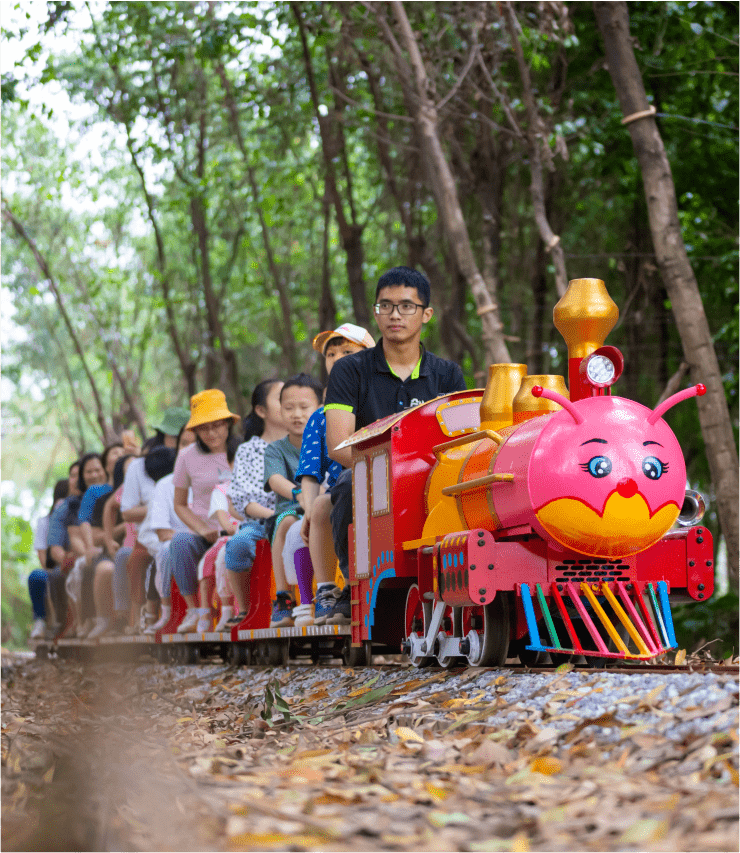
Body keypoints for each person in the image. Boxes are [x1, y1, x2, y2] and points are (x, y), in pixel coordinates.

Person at [324, 266, 467, 623]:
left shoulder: (448, 374)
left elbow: (460, 442)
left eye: (406, 306)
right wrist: (387, 471)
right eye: (385, 306)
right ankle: (352, 589)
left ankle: (458, 582)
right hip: (367, 474)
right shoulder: (349, 371)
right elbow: (339, 446)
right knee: (344, 488)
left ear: (426, 314)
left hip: (435, 474)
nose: (394, 315)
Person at [286, 323, 375, 626]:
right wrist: (309, 510)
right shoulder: (321, 416)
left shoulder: (382, 399)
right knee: (323, 506)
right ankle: (326, 591)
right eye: (331, 354)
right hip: (342, 489)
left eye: (347, 352)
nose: (337, 359)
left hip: (388, 478)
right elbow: (310, 473)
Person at [170, 389, 241, 632]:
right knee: (179, 543)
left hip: (238, 529)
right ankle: (194, 610)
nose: (211, 433)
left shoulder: (244, 451)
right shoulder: (186, 457)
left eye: (217, 425)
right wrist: (201, 529)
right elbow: (179, 504)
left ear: (228, 423)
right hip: (205, 534)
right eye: (204, 428)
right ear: (195, 430)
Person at [222, 379, 286, 629]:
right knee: (237, 544)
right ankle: (246, 608)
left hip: (302, 514)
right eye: (281, 399)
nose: (289, 405)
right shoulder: (249, 450)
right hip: (263, 520)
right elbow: (244, 500)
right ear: (261, 411)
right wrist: (276, 515)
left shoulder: (306, 443)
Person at [262, 374, 324, 627]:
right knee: (286, 522)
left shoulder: (327, 441)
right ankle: (284, 597)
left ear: (320, 408)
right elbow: (276, 479)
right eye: (288, 408)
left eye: (304, 407)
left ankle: (326, 591)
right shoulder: (275, 449)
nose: (297, 414)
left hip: (321, 504)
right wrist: (301, 494)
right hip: (290, 507)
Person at [142, 425, 197, 634]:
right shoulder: (165, 485)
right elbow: (162, 532)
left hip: (208, 539)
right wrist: (193, 536)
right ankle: (166, 612)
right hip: (178, 542)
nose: (189, 449)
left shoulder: (215, 479)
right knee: (166, 549)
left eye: (195, 444)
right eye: (184, 444)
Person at [28, 478, 70, 638]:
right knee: (38, 576)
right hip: (53, 568)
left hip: (71, 564)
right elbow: (44, 560)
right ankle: (40, 620)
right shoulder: (45, 522)